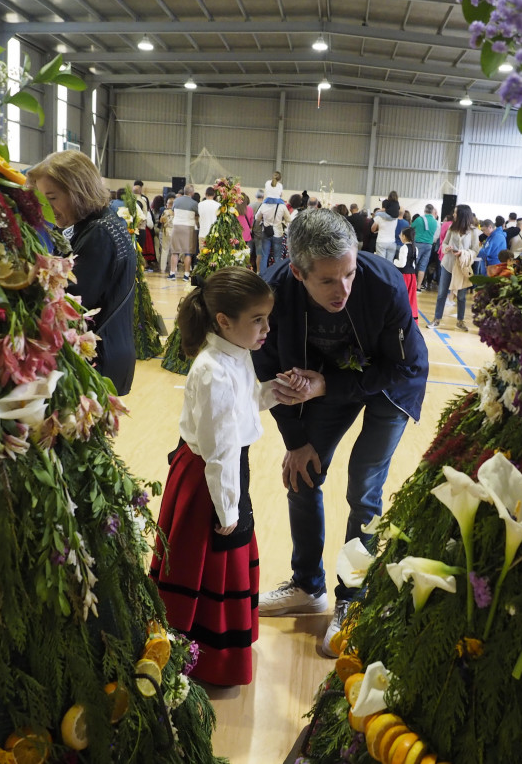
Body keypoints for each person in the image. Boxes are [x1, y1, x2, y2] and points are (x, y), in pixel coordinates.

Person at [252, 208, 429, 657]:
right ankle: (307, 585)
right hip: (321, 386)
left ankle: (351, 598)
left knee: (364, 489)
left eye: (349, 274)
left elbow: (399, 365)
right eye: (328, 281)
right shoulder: (274, 294)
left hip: (389, 383)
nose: (343, 289)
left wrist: (328, 383)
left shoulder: (385, 285)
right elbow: (268, 370)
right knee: (302, 475)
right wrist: (295, 440)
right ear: (297, 271)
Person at [149, 267, 307, 686]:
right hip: (209, 481)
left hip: (224, 472)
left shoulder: (234, 355)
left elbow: (245, 403)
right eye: (257, 319)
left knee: (221, 562)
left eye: (267, 318)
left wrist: (276, 390)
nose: (266, 329)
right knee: (213, 561)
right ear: (223, 320)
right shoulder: (212, 370)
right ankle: (201, 657)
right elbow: (219, 452)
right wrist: (228, 511)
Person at [27, 149, 137, 395]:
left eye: (52, 198)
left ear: (78, 191)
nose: (48, 208)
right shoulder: (105, 223)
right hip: (112, 350)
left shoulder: (98, 234)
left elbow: (71, 301)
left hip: (99, 358)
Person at [432, 204, 478, 331]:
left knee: (461, 296)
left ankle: (460, 320)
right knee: (441, 293)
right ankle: (437, 319)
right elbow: (445, 242)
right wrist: (446, 248)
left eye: (456, 213)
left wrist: (462, 253)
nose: (454, 214)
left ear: (462, 214)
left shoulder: (473, 231)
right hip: (448, 264)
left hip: (462, 266)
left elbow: (475, 250)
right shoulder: (452, 227)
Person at [254, 194, 293, 270]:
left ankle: (263, 276)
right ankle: (276, 276)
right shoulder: (282, 206)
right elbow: (289, 219)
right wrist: (281, 221)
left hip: (266, 232)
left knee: (264, 255)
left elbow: (257, 217)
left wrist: (265, 220)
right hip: (278, 233)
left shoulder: (264, 205)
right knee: (277, 256)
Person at [170, 184, 198, 280]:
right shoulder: (194, 203)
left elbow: (173, 212)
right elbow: (197, 216)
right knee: (188, 252)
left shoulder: (176, 200)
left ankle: (172, 273)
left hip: (176, 227)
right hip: (188, 228)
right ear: (192, 193)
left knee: (175, 251)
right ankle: (186, 275)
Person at [411, 204, 438, 290]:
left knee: (414, 264)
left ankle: (412, 285)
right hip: (429, 245)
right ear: (432, 211)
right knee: (423, 266)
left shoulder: (419, 219)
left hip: (418, 243)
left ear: (425, 210)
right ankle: (418, 287)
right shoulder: (435, 222)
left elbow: (411, 228)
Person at [394, 225, 418, 320]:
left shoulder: (404, 248)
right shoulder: (415, 248)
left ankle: (400, 316)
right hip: (412, 276)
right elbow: (414, 264)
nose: (400, 236)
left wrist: (394, 261)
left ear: (404, 236)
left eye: (401, 235)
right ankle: (412, 317)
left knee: (402, 296)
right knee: (411, 298)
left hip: (404, 276)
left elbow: (402, 264)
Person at [197, 186, 220, 250]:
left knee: (202, 256)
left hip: (202, 233)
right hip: (214, 234)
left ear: (205, 194)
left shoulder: (200, 204)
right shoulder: (218, 205)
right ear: (214, 195)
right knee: (212, 256)